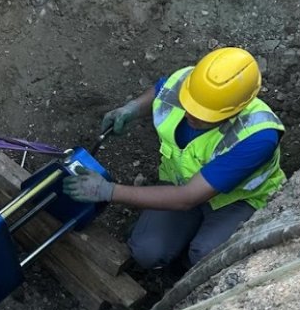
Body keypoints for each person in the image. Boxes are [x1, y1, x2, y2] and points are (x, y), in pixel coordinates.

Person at [62, 47, 286, 269]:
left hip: (237, 201)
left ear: (236, 110)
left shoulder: (258, 136)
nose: (190, 114)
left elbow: (187, 198)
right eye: (189, 104)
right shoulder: (190, 83)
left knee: (207, 257)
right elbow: (162, 90)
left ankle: (188, 272)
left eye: (203, 114)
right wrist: (131, 109)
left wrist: (108, 191)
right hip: (182, 183)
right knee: (146, 251)